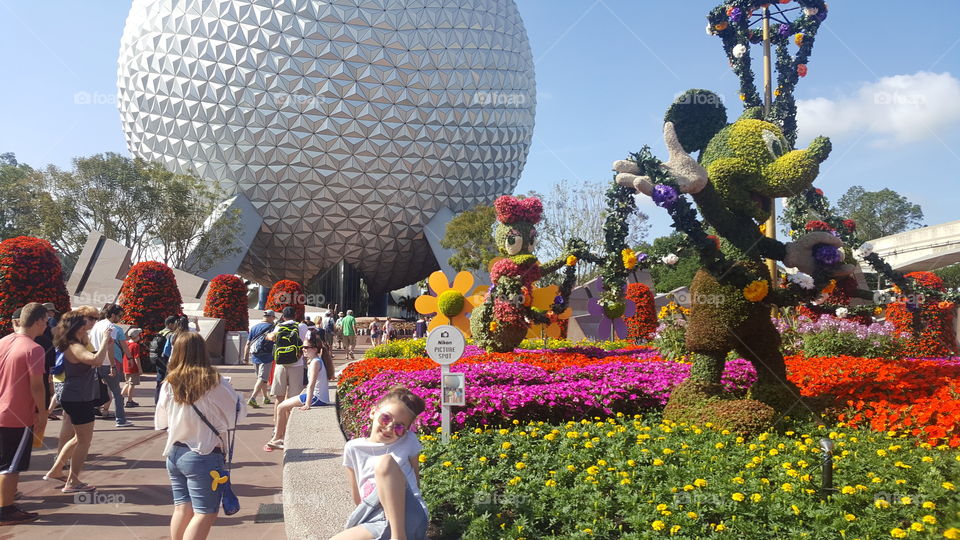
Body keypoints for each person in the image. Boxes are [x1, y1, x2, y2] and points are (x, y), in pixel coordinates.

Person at [155, 332, 247, 540]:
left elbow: (161, 421)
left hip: (175, 452)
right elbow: (235, 415)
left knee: (182, 510)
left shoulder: (170, 382)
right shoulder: (214, 381)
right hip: (203, 453)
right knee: (205, 513)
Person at [332, 386, 428, 540]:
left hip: (408, 514)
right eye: (386, 418)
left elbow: (415, 483)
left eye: (399, 427)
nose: (390, 427)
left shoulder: (408, 440)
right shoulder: (353, 448)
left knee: (385, 462)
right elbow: (358, 497)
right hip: (376, 518)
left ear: (406, 431)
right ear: (372, 412)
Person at [43, 309, 114, 494]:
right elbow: (96, 360)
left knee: (78, 437)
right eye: (86, 321)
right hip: (77, 397)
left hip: (75, 396)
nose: (89, 324)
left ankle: (56, 469)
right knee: (84, 441)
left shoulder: (76, 342)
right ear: (77, 326)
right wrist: (106, 339)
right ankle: (72, 482)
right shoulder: (74, 345)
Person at [0, 303, 49, 524]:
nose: (47, 325)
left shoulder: (3, 342)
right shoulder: (34, 349)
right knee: (11, 466)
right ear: (38, 321)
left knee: (4, 462)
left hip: (4, 410)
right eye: (46, 321)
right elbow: (37, 386)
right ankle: (5, 510)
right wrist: (42, 411)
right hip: (16, 414)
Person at [263, 328, 334, 451]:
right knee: (286, 407)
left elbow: (311, 384)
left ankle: (277, 438)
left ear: (315, 349)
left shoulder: (315, 362)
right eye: (303, 347)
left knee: (281, 407)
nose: (303, 349)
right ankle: (281, 437)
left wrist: (307, 404)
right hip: (318, 397)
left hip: (316, 398)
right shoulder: (316, 360)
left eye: (306, 347)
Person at [89, 304, 133, 427]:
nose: (120, 318)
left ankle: (90, 416)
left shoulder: (97, 324)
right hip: (107, 363)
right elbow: (110, 346)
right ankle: (121, 420)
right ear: (112, 314)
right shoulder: (110, 327)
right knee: (117, 393)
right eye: (119, 316)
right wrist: (113, 366)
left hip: (95, 361)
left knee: (96, 391)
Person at [266, 307, 304, 414]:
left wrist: (268, 336)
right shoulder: (301, 326)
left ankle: (277, 426)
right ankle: (289, 425)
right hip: (297, 363)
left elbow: (271, 337)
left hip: (281, 364)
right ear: (295, 315)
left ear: (283, 316)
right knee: (294, 399)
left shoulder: (279, 326)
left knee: (279, 397)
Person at [243, 310, 275, 409]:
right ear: (270, 317)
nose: (274, 320)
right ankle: (252, 398)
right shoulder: (271, 328)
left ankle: (265, 397)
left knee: (261, 379)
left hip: (255, 355)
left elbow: (248, 344)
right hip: (266, 356)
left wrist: (245, 357)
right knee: (262, 378)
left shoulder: (254, 327)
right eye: (273, 317)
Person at [35, 303, 58, 419]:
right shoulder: (51, 321)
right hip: (46, 358)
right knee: (46, 386)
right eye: (52, 311)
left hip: (43, 357)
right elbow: (56, 336)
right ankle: (46, 411)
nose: (53, 314)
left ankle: (46, 410)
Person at [151, 316, 178, 405]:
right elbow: (168, 350)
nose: (176, 325)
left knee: (159, 381)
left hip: (158, 359)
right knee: (167, 381)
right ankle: (164, 402)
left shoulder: (161, 332)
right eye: (174, 323)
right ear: (170, 324)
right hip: (165, 360)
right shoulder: (170, 334)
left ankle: (157, 401)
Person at [122, 327, 143, 408]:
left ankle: (121, 397)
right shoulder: (135, 345)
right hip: (133, 367)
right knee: (132, 384)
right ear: (136, 336)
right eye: (139, 335)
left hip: (125, 366)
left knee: (127, 382)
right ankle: (129, 401)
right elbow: (136, 358)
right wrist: (140, 369)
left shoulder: (127, 343)